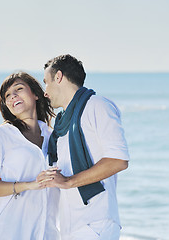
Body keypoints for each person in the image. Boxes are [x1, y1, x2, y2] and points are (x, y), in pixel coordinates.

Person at [38, 54, 130, 240]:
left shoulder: (97, 106)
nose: (45, 92)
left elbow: (118, 160)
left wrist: (69, 181)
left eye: (46, 82)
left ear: (59, 77)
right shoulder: (62, 124)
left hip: (96, 223)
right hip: (71, 226)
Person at [0, 72, 59, 240]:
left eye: (19, 89)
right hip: (7, 231)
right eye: (7, 95)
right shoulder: (1, 135)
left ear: (36, 94)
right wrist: (28, 185)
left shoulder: (54, 137)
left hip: (45, 232)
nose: (12, 96)